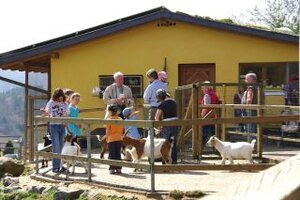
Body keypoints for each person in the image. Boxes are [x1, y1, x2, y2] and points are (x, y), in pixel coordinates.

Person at [44, 88, 68, 173]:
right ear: (55, 96)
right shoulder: (51, 103)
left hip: (62, 126)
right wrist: (44, 112)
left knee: (61, 147)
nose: (60, 98)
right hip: (54, 126)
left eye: (61, 96)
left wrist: (67, 127)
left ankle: (60, 166)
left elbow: (66, 115)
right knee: (56, 146)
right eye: (58, 97)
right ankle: (55, 167)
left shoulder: (65, 104)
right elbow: (46, 112)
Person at [155, 89, 178, 164]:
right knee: (173, 143)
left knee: (165, 143)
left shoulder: (161, 105)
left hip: (166, 124)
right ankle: (174, 161)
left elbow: (157, 117)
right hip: (175, 123)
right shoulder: (174, 102)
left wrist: (159, 127)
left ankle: (165, 160)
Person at [200, 81, 220, 145]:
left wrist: (202, 116)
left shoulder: (207, 95)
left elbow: (206, 107)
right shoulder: (214, 94)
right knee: (213, 135)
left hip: (207, 117)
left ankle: (200, 148)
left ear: (206, 88)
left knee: (203, 134)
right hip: (214, 117)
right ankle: (216, 149)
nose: (202, 89)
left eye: (203, 88)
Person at [106, 104, 124, 174]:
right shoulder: (120, 119)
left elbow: (107, 131)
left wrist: (107, 138)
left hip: (111, 138)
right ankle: (119, 168)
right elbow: (122, 129)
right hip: (119, 138)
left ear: (110, 112)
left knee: (112, 154)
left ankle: (112, 168)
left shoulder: (109, 120)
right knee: (118, 153)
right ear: (117, 112)